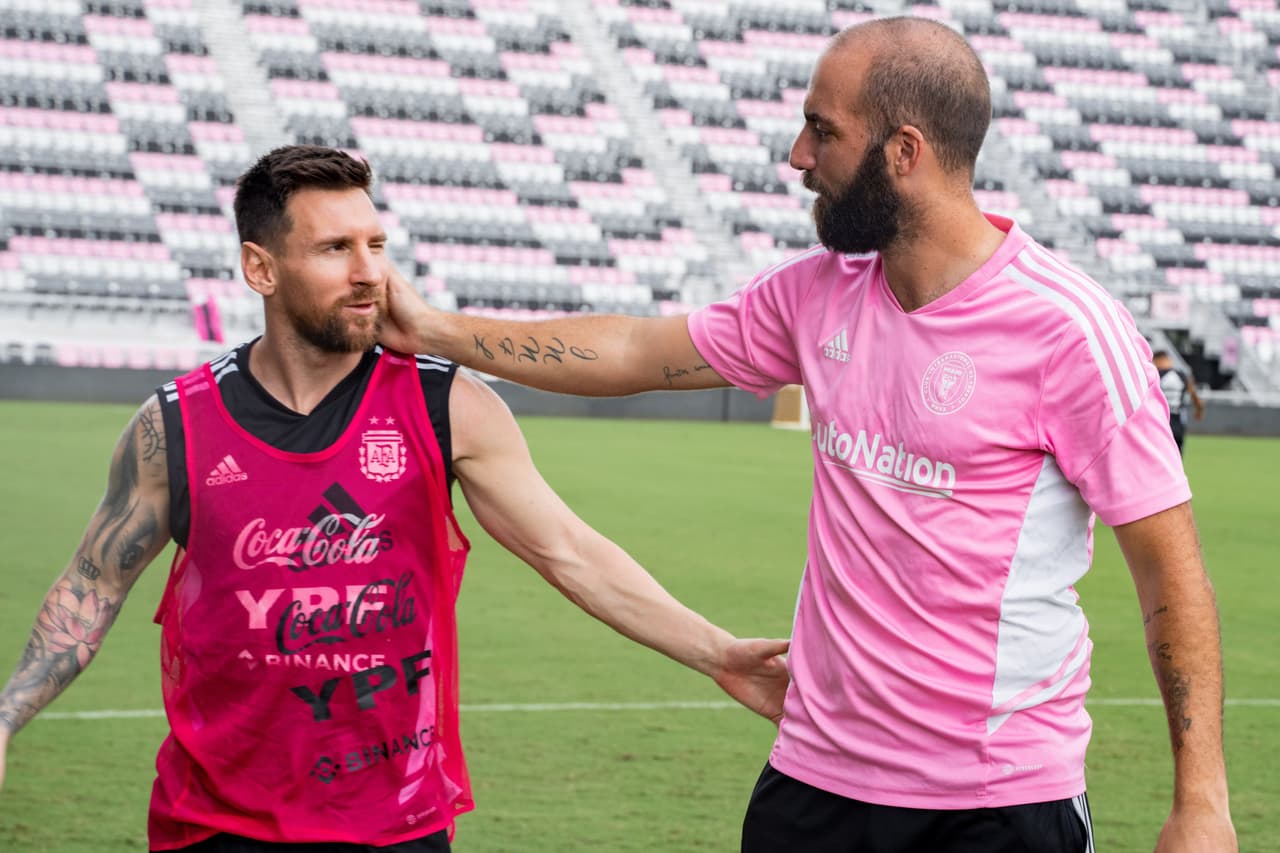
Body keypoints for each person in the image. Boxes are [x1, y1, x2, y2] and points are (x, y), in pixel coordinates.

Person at [377, 17, 1236, 853]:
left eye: (821, 131)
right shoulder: (815, 294)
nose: (797, 157)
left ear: (904, 151)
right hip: (814, 779)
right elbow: (638, 349)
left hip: (992, 799)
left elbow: (1172, 572)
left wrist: (1200, 803)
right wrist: (438, 331)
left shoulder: (1070, 332)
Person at [0, 145, 790, 852]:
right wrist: (6, 718)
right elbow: (90, 587)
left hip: (397, 823)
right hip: (215, 822)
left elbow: (569, 550)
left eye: (375, 245)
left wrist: (716, 651)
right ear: (261, 268)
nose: (368, 270)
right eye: (335, 248)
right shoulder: (173, 426)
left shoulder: (449, 405)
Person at [1153, 349, 1205, 455]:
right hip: (1178, 423)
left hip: (1160, 422)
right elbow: (1196, 398)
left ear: (1157, 360)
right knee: (1177, 457)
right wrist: (1199, 411)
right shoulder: (1182, 376)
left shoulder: (1155, 375)